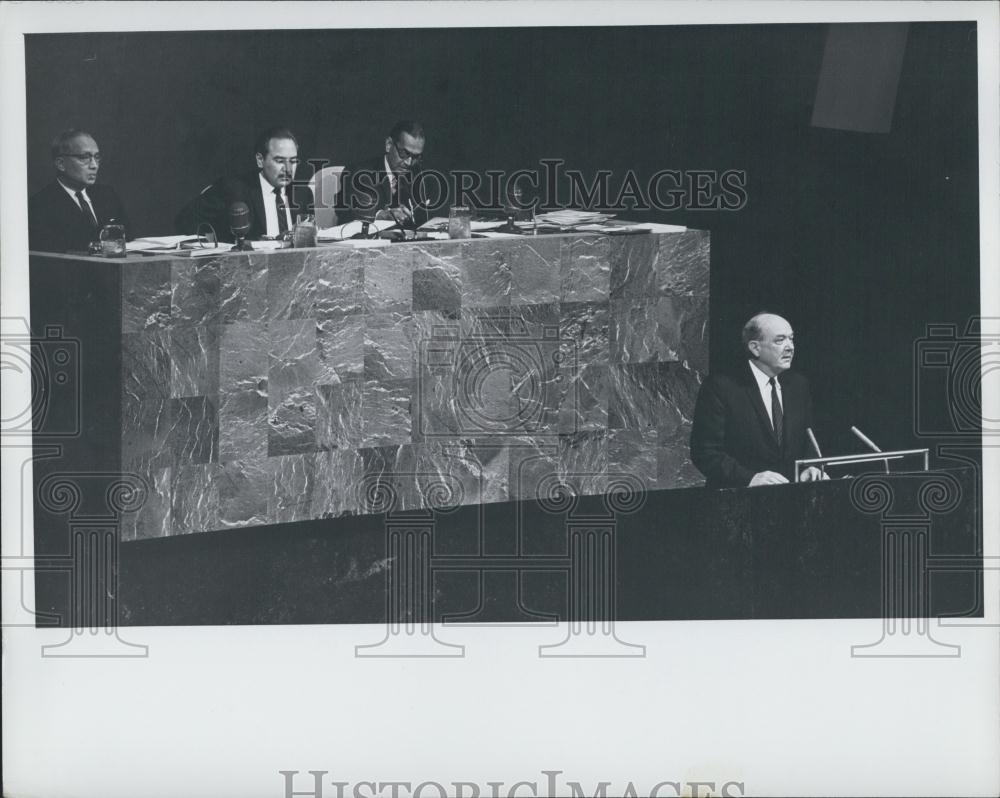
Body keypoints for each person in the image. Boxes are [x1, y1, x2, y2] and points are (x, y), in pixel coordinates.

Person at [690, 312, 827, 488]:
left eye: (791, 339)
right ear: (755, 348)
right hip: (737, 499)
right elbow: (705, 452)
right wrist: (750, 478)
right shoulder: (721, 387)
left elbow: (809, 439)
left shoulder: (798, 385)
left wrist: (811, 466)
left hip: (791, 499)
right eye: (780, 340)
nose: (790, 347)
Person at [175, 126, 314, 242]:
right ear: (260, 160)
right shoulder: (232, 189)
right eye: (279, 161)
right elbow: (184, 221)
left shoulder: (303, 194)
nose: (288, 169)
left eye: (293, 161)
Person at [29, 129, 130, 253]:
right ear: (61, 164)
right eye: (84, 157)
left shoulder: (107, 195)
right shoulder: (40, 205)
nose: (94, 165)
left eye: (97, 158)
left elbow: (129, 239)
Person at [335, 120, 429, 228]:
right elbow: (360, 216)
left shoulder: (415, 175)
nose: (409, 162)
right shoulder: (360, 174)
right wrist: (382, 216)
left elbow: (421, 222)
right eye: (404, 153)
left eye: (416, 157)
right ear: (389, 145)